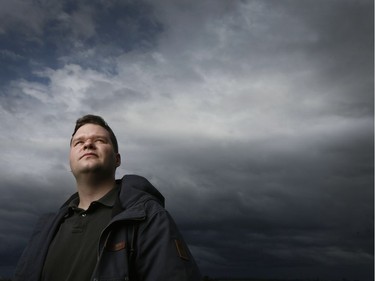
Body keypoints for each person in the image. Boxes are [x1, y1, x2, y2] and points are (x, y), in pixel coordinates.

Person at [14, 114, 202, 281]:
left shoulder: (148, 216)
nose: (88, 144)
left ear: (117, 159)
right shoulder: (46, 229)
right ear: (70, 160)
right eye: (78, 142)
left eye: (100, 140)